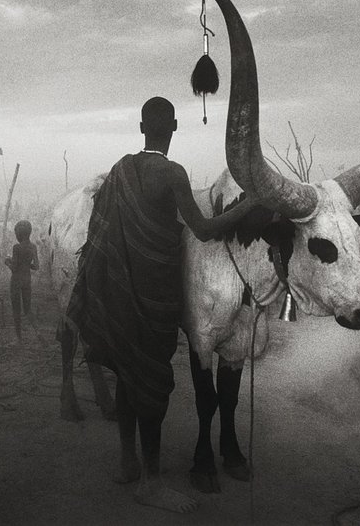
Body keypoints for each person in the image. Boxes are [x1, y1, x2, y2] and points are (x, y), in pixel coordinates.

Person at [65, 97, 260, 514]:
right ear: (174, 127)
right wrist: (247, 206)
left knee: (126, 373)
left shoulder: (120, 169)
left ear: (141, 127)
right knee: (151, 382)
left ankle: (127, 462)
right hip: (154, 295)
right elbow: (204, 230)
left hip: (118, 291)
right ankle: (151, 483)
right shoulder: (172, 173)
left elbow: (101, 228)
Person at [5, 220, 39, 341]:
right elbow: (36, 266)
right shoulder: (33, 247)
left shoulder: (16, 247)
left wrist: (7, 262)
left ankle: (19, 339)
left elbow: (14, 268)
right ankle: (38, 332)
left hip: (16, 281)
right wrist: (26, 264)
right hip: (27, 280)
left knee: (16, 310)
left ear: (18, 234)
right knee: (28, 309)